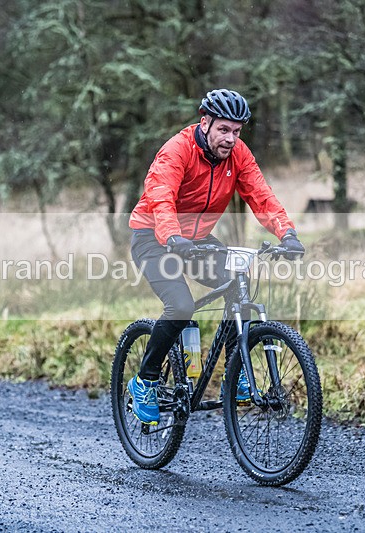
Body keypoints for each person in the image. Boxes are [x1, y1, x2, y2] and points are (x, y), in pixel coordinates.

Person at [126, 89, 305, 424]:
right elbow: (161, 198)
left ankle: (236, 373)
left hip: (196, 240)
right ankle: (145, 381)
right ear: (205, 122)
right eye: (223, 129)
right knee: (181, 306)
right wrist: (173, 236)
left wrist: (287, 234)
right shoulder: (176, 151)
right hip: (153, 236)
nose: (230, 139)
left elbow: (261, 196)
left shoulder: (238, 154)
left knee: (238, 282)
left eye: (236, 131)